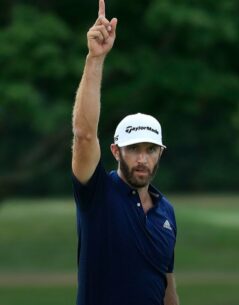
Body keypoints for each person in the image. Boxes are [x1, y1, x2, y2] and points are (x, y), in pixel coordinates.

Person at [71, 1, 179, 304]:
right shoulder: (97, 194)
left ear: (161, 153)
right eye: (133, 149)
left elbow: (167, 285)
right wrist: (95, 59)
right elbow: (84, 135)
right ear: (116, 151)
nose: (142, 158)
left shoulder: (165, 211)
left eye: (150, 150)